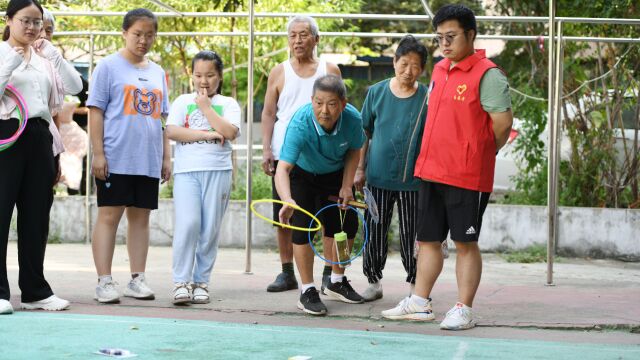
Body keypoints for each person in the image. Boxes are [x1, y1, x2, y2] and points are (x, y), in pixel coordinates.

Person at [382, 4, 513, 330]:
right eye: (440, 37)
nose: (444, 43)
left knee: (465, 242)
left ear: (471, 34)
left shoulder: (488, 75)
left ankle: (463, 308)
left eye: (451, 36)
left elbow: (502, 125)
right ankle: (419, 301)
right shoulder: (440, 69)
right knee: (427, 239)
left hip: (467, 176)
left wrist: (478, 154)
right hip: (431, 170)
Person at [0, 0, 82, 314]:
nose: (33, 28)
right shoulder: (1, 53)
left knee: (36, 217)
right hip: (6, 137)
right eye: (26, 21)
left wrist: (55, 56)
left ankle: (35, 291)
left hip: (40, 135)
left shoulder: (44, 55)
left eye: (37, 22)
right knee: (1, 213)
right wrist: (9, 63)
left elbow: (76, 86)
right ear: (9, 20)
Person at [87, 8, 170, 304]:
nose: (143, 40)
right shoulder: (108, 67)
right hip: (115, 155)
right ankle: (104, 281)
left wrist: (165, 157)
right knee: (109, 216)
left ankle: (137, 279)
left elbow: (162, 119)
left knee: (141, 219)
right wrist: (98, 153)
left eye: (149, 35)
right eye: (137, 34)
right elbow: (95, 112)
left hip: (147, 158)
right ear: (124, 33)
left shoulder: (158, 72)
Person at [261, 15, 341, 293]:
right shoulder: (279, 71)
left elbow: (341, 109)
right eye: (292, 35)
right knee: (286, 215)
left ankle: (329, 274)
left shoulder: (330, 69)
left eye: (304, 34)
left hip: (325, 160)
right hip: (287, 157)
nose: (297, 40)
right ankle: (287, 272)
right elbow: (269, 112)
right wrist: (267, 149)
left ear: (316, 39)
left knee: (329, 218)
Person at [275, 74, 366, 315]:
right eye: (318, 102)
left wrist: (347, 185)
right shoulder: (300, 123)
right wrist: (288, 200)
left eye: (331, 104)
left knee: (346, 226)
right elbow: (282, 169)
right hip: (303, 175)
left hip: (335, 174)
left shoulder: (353, 119)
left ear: (343, 104)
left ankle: (336, 280)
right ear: (312, 100)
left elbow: (354, 151)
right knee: (302, 227)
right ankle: (307, 289)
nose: (324, 110)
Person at [354, 35, 428, 302]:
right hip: (376, 178)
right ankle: (373, 281)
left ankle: (415, 285)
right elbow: (364, 133)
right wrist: (359, 169)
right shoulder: (376, 92)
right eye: (404, 63)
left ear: (423, 69)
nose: (408, 71)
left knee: (412, 236)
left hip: (414, 181)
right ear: (394, 61)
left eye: (415, 66)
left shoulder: (427, 97)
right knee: (374, 231)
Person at [166, 51, 241, 305]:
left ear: (219, 76)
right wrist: (208, 135)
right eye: (198, 75)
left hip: (218, 171)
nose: (204, 81)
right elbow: (172, 131)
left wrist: (207, 109)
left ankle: (201, 282)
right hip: (187, 172)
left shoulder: (228, 103)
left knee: (210, 229)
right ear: (192, 76)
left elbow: (230, 131)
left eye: (209, 75)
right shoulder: (181, 101)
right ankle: (181, 282)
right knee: (188, 224)